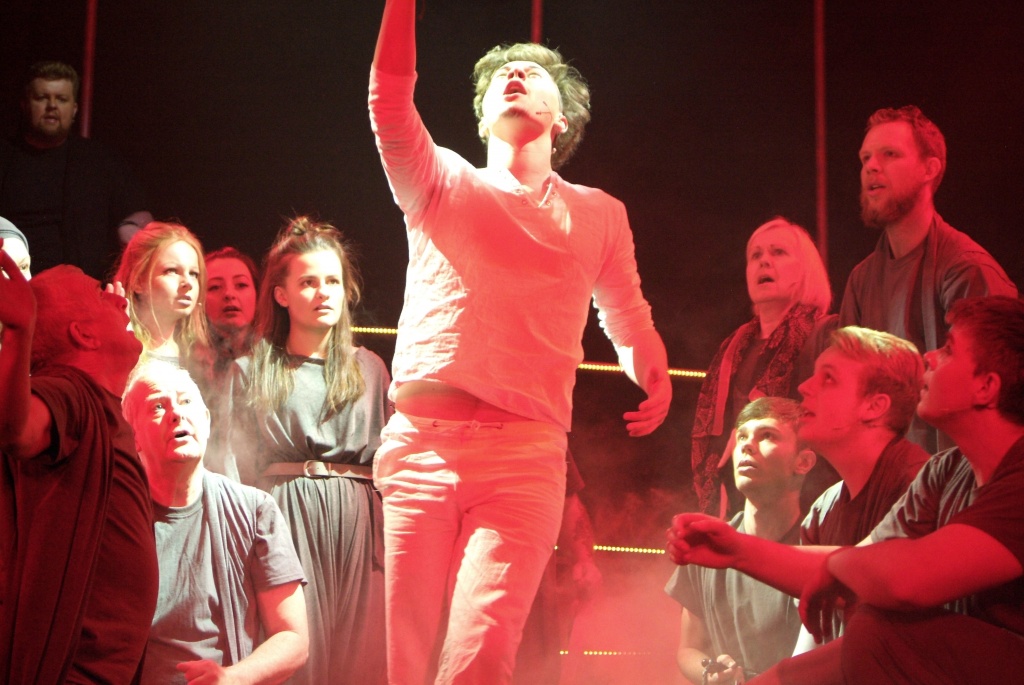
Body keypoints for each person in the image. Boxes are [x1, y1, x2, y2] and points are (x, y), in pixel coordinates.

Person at [369, 1, 673, 681]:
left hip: (525, 456)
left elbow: (627, 318)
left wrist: (650, 371)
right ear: (481, 118)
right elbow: (388, 101)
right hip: (422, 445)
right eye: (502, 75)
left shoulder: (600, 214)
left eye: (532, 73)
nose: (514, 75)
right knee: (408, 661)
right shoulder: (440, 178)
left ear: (561, 118)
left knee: (480, 656)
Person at [769, 296, 1024, 684]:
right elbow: (856, 573)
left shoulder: (913, 473)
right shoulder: (944, 471)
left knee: (880, 625)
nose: (930, 357)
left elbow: (903, 582)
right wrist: (734, 549)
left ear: (986, 386)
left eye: (948, 349)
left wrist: (838, 564)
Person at [667, 327, 929, 662]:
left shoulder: (920, 487)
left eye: (829, 378)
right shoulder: (825, 510)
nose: (805, 386)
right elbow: (812, 651)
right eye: (742, 436)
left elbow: (884, 609)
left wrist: (738, 550)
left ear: (874, 406)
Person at [230, 218, 391, 684]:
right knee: (298, 653)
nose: (324, 293)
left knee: (362, 660)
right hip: (286, 516)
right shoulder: (252, 371)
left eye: (333, 281)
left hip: (361, 522)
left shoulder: (370, 369)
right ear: (281, 294)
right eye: (308, 282)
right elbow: (235, 469)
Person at [0, 257, 158, 683]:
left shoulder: (100, 406)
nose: (119, 300)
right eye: (99, 293)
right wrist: (18, 332)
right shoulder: (69, 391)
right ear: (83, 334)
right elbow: (16, 431)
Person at [839, 105, 1017, 453]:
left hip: (956, 478)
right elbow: (847, 392)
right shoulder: (861, 280)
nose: (871, 166)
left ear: (929, 169)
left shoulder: (966, 269)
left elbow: (1000, 408)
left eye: (890, 154)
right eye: (865, 158)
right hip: (886, 477)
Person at [121, 362, 308, 684]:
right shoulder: (115, 516)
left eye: (186, 401)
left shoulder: (254, 509)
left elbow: (292, 637)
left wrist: (232, 678)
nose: (176, 413)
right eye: (158, 406)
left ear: (206, 421)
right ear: (132, 436)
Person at [692, 217, 836, 516]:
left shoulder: (827, 335)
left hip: (806, 502)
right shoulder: (733, 347)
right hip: (740, 504)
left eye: (778, 252)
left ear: (805, 269)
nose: (764, 261)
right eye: (755, 255)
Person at [669, 397, 816, 684]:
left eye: (767, 435)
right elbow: (688, 648)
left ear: (803, 462)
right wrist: (710, 672)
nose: (747, 446)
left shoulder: (817, 546)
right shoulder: (706, 546)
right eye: (742, 437)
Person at [0, 61, 151, 279]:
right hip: (11, 284)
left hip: (81, 286)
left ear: (74, 109)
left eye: (61, 99)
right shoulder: (5, 156)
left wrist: (135, 231)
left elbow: (137, 215)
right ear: (24, 104)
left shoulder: (99, 160)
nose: (52, 106)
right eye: (42, 98)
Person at [113, 220, 209, 370]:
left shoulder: (199, 357)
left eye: (194, 274)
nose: (188, 283)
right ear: (138, 281)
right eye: (171, 271)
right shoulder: (119, 350)